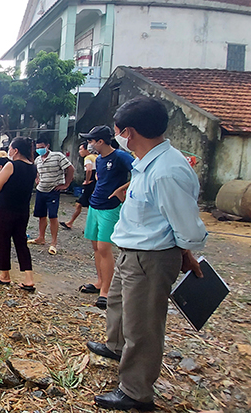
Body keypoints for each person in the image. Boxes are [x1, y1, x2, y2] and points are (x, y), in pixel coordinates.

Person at [87, 97, 207, 411]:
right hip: (131, 251)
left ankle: (136, 391)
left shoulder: (166, 170)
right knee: (118, 305)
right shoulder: (147, 162)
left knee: (143, 325)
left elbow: (188, 227)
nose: (117, 137)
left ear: (128, 131)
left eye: (117, 131)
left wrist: (184, 252)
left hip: (149, 257)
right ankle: (115, 347)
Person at [78, 125, 135, 309]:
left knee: (104, 247)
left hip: (110, 207)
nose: (89, 144)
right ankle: (100, 282)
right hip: (96, 204)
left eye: (91, 141)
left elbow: (141, 172)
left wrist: (122, 190)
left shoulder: (120, 156)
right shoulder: (100, 159)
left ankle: (106, 291)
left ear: (100, 141)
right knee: (95, 246)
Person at [0, 137, 38, 292]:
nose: (9, 151)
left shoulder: (11, 165)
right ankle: (29, 279)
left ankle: (5, 275)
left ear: (15, 150)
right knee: (21, 242)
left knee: (3, 241)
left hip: (5, 208)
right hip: (22, 210)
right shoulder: (32, 167)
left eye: (9, 148)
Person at [28, 137, 74, 255]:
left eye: (42, 147)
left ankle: (53, 243)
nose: (40, 150)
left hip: (53, 191)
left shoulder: (57, 156)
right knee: (41, 215)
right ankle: (41, 238)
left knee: (53, 216)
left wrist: (66, 184)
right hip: (40, 190)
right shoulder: (38, 160)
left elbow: (70, 168)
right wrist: (37, 179)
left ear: (47, 146)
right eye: (37, 148)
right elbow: (36, 171)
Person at [60, 142, 97, 229]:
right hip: (96, 183)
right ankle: (71, 222)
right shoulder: (97, 157)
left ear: (87, 149)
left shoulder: (88, 158)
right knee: (84, 205)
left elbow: (88, 170)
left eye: (81, 149)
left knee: (83, 205)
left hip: (90, 184)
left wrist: (87, 181)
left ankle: (89, 226)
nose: (79, 151)